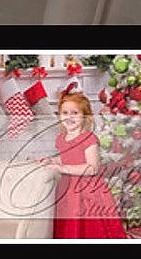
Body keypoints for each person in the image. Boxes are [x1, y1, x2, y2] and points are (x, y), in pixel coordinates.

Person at [39, 87, 126, 240]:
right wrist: (52, 161)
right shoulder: (61, 138)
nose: (69, 117)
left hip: (88, 190)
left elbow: (92, 168)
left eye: (75, 113)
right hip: (67, 188)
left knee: (90, 226)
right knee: (69, 223)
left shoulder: (88, 138)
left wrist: (61, 168)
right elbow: (65, 158)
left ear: (85, 117)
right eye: (65, 113)